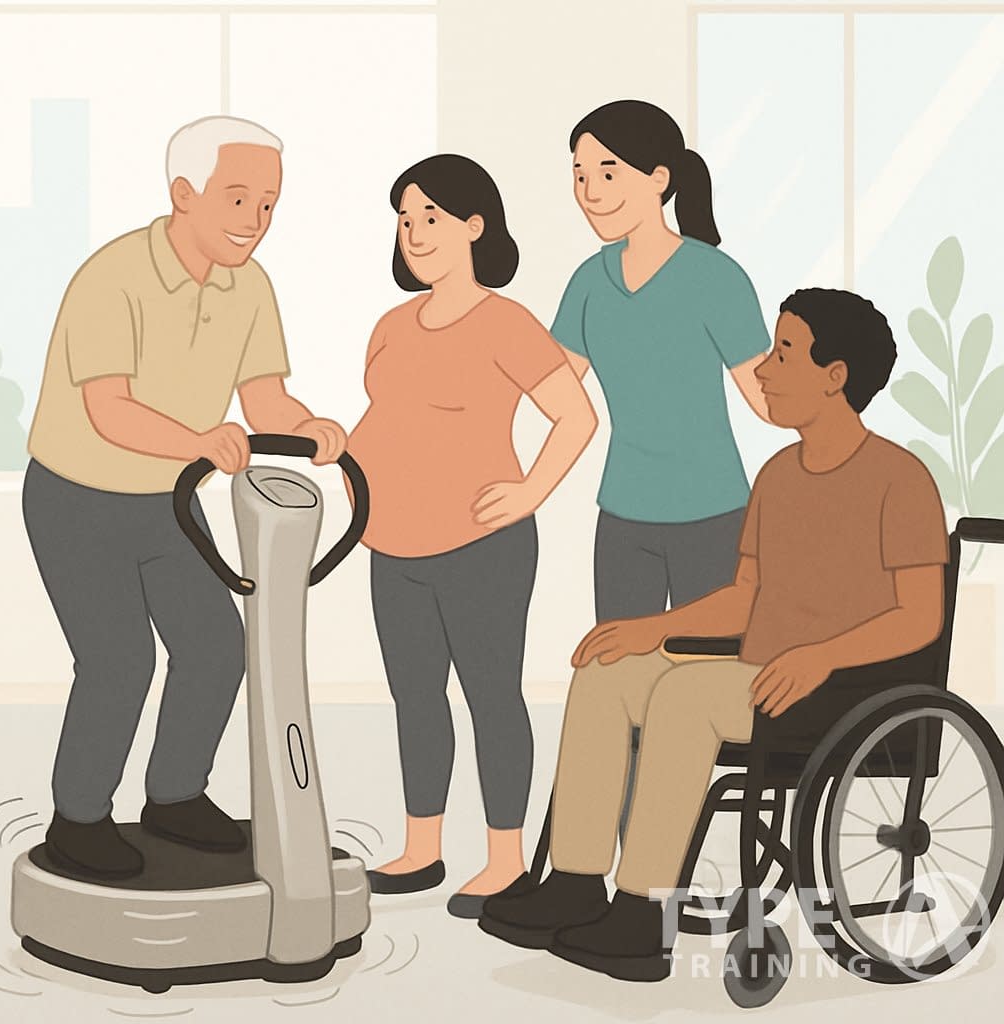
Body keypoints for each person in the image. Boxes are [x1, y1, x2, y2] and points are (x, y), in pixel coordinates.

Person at [479, 288, 949, 982]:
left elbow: (920, 619)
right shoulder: (778, 476)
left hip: (850, 691)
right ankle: (577, 881)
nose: (762, 372)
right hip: (759, 677)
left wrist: (821, 656)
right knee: (609, 671)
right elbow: (744, 600)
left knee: (686, 695)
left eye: (784, 353)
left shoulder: (899, 479)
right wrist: (651, 628)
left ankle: (643, 913)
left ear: (836, 376)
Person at [24, 115, 348, 880]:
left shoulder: (250, 287)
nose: (256, 222)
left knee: (212, 647)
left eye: (269, 204)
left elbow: (265, 398)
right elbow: (110, 410)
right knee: (119, 662)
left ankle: (173, 797)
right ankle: (78, 818)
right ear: (183, 194)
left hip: (165, 503)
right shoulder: (112, 277)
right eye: (238, 200)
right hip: (78, 497)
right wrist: (201, 442)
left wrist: (310, 428)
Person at [348, 154, 597, 918]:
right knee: (414, 697)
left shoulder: (505, 322)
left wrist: (528, 493)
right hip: (392, 546)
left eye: (432, 218)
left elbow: (576, 418)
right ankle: (423, 848)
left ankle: (503, 859)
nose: (415, 233)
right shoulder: (391, 327)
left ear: (474, 227)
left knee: (490, 696)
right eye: (405, 219)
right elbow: (384, 422)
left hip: (480, 547)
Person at [553, 99, 773, 625]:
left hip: (714, 516)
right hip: (624, 518)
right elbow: (549, 389)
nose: (591, 192)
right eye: (580, 176)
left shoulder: (715, 278)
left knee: (708, 680)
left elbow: (768, 401)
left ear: (659, 178)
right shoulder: (588, 282)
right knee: (619, 680)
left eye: (608, 173)